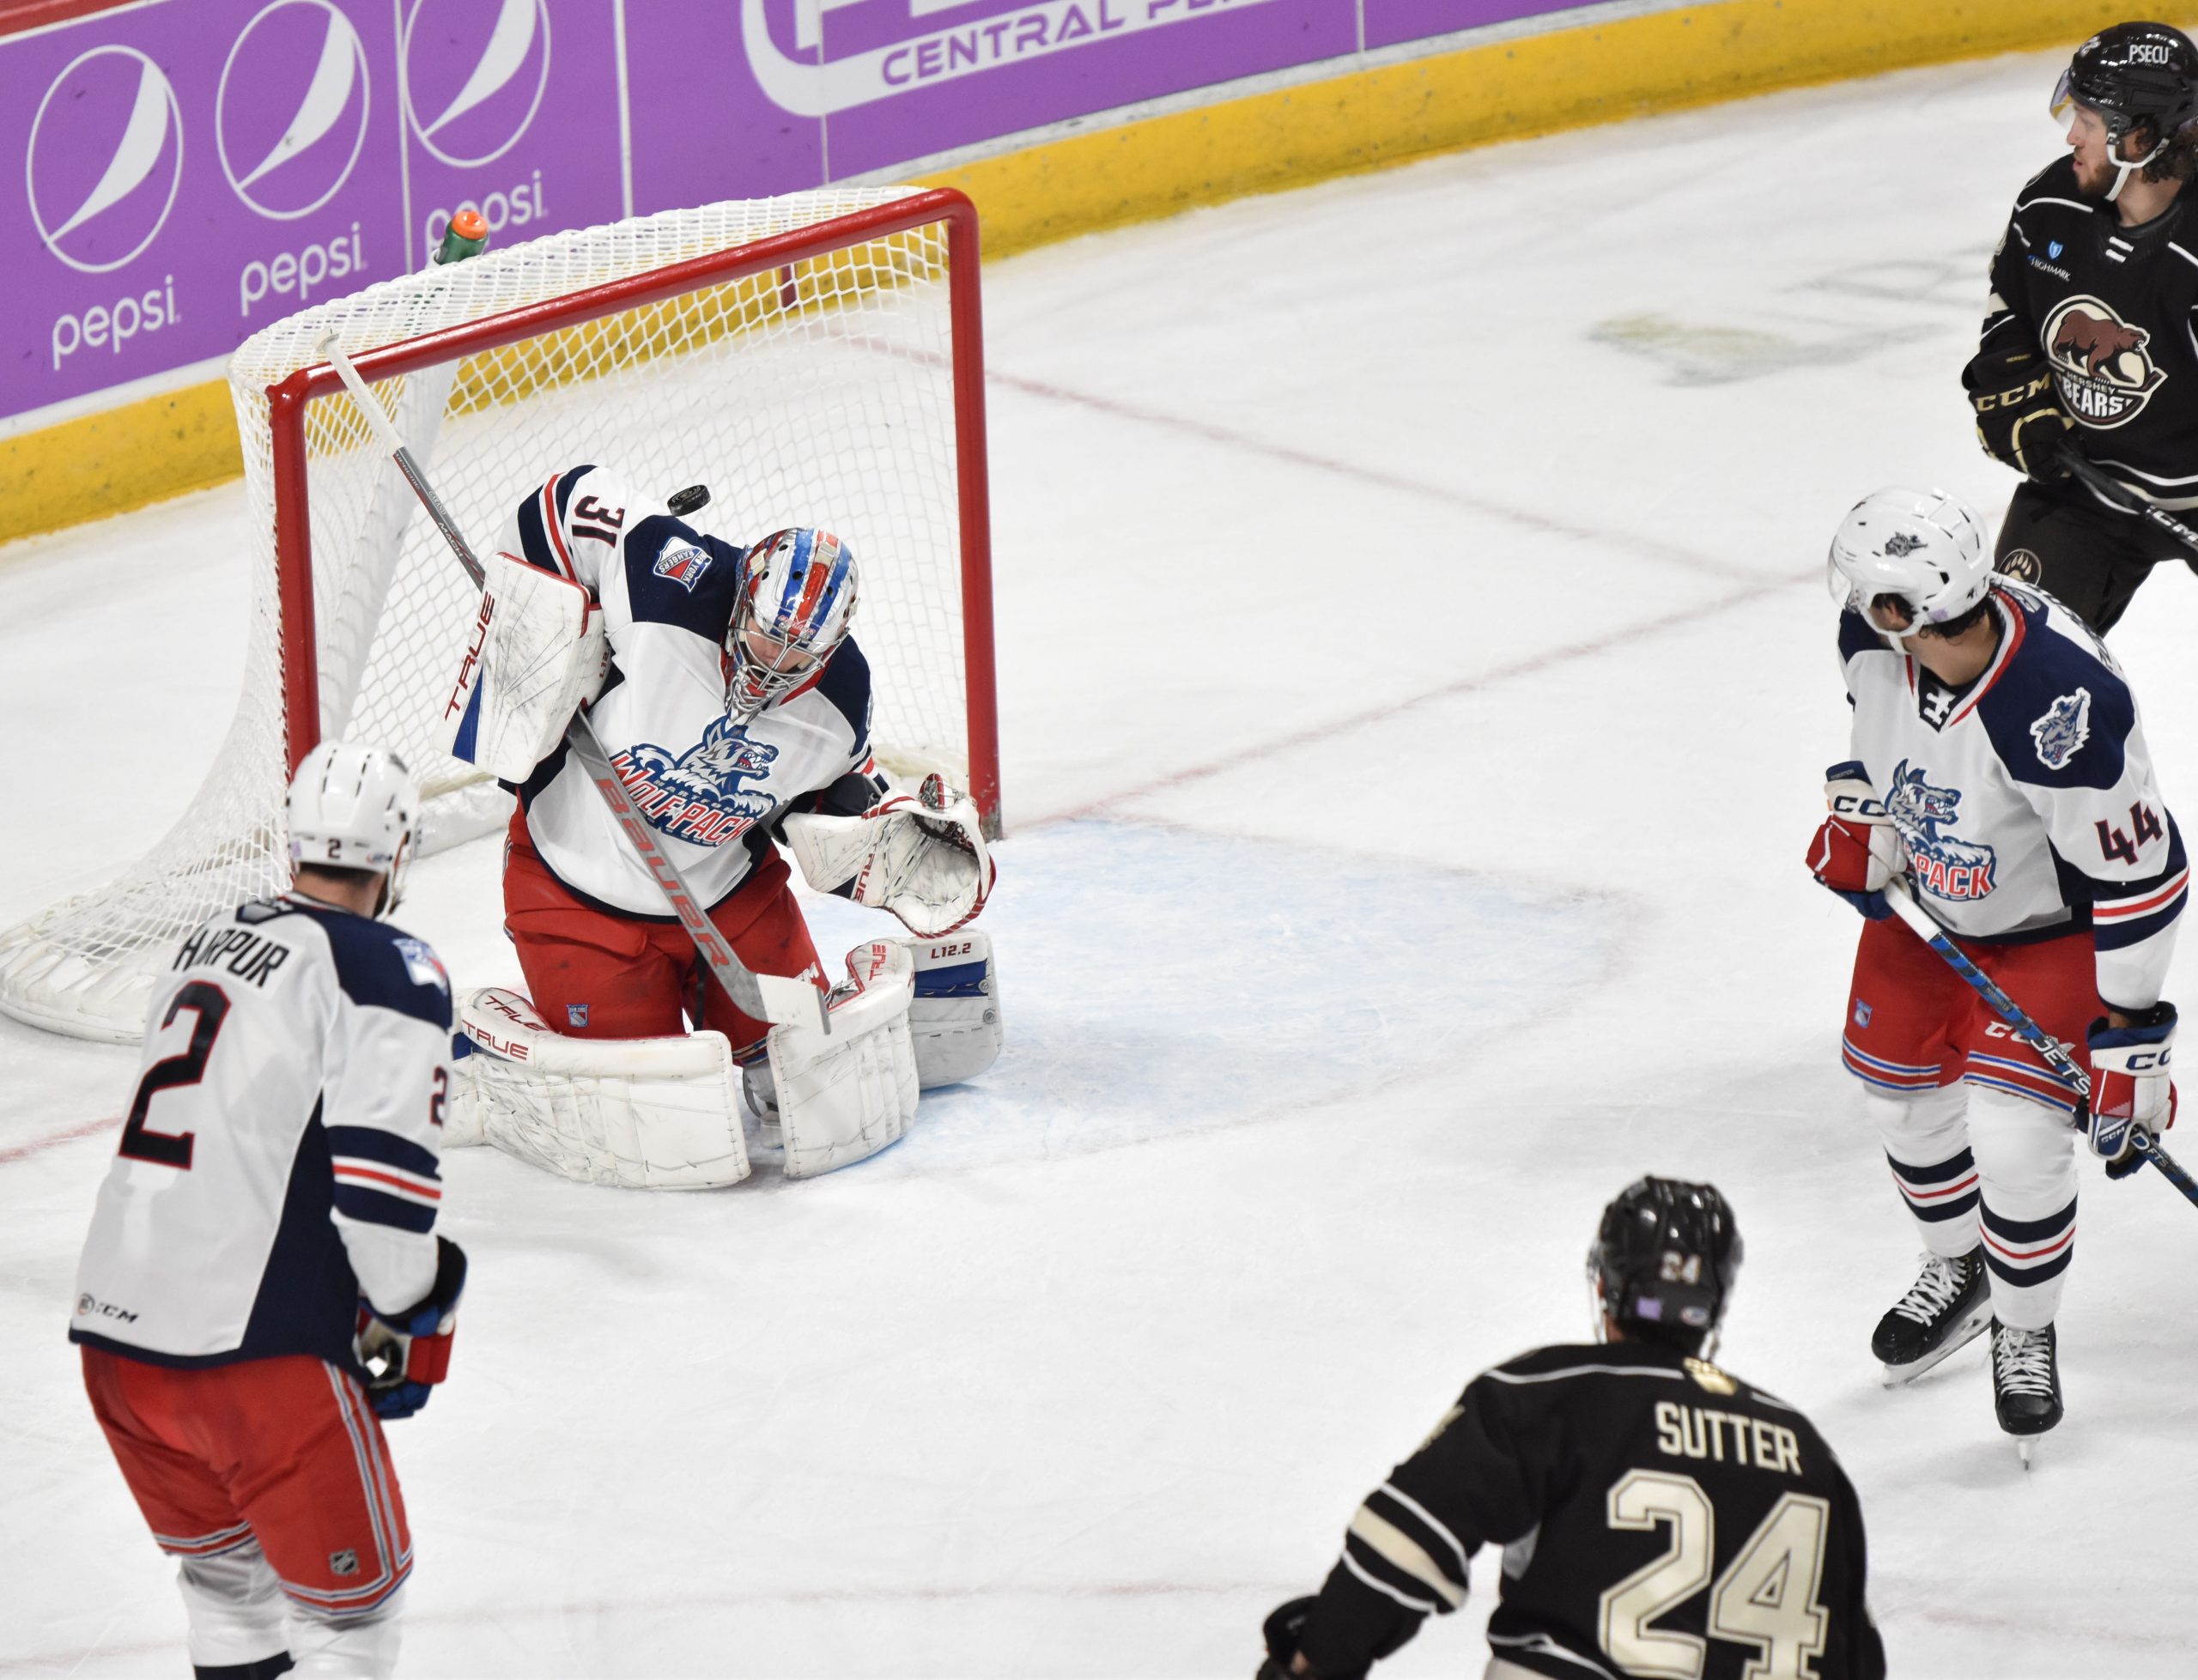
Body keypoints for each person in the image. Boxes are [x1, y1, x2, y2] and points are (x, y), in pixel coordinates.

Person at [434, 468, 999, 1184]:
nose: (773, 667)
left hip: (731, 899)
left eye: (798, 657)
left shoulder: (840, 697)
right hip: (576, 892)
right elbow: (562, 498)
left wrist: (885, 835)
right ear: (742, 598)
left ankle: (744, 1030)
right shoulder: (669, 578)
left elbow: (823, 799)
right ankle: (491, 1060)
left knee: (797, 1070)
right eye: (765, 639)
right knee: (646, 1109)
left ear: (830, 650)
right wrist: (541, 620)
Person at [70, 742, 465, 1679]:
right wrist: (422, 1304)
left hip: (113, 1345)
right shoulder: (389, 964)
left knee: (229, 1592)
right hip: (256, 1357)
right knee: (351, 1623)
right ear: (397, 851)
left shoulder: (205, 939)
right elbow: (380, 1207)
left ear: (294, 846)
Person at [1805, 487, 2183, 1446]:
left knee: (2017, 1142)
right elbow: (1882, 745)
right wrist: (1865, 822)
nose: (1857, 617)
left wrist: (2129, 1041)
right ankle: (1960, 1268)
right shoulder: (1873, 644)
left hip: (2050, 928)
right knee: (1898, 1095)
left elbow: (2141, 874)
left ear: (1906, 610)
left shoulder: (2055, 704)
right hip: (1930, 905)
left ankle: (2024, 1328)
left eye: (1871, 603)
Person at [1256, 1179, 1885, 1680]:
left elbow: (1403, 1544)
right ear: (1714, 1304)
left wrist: (1317, 1657)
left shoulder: (1549, 1394)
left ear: (1606, 1286)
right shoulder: (1806, 1451)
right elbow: (1858, 1656)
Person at [1963, 21, 2198, 632]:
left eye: (2088, 122)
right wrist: (2013, 402)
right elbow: (2009, 316)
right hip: (2083, 485)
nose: (2071, 136)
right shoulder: (2049, 206)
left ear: (2140, 137)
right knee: (2009, 659)